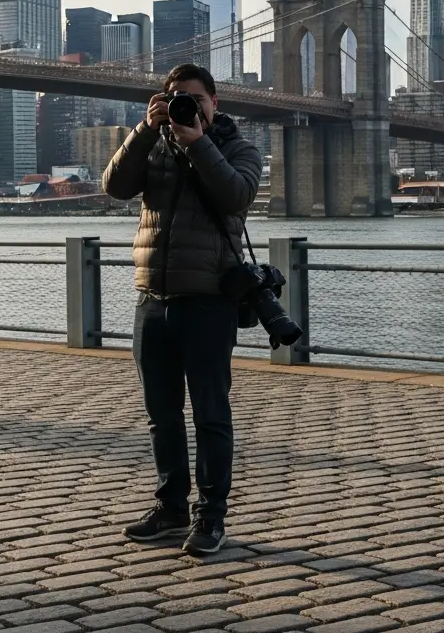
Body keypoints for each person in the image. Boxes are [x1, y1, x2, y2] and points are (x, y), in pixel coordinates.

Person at [101, 63, 262, 556]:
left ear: (215, 103)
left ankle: (210, 517)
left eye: (194, 98)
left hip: (209, 301)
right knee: (161, 415)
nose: (185, 107)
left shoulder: (238, 149)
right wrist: (145, 130)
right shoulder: (155, 144)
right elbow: (114, 185)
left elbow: (238, 194)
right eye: (175, 98)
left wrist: (197, 142)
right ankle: (171, 508)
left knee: (211, 415)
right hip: (152, 299)